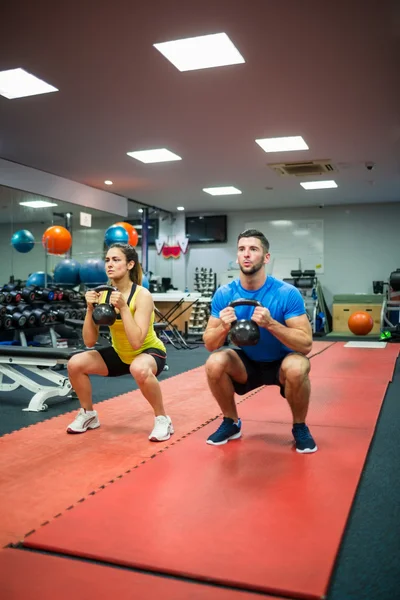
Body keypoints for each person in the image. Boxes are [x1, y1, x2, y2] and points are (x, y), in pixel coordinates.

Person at [203, 229, 317, 453]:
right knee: (215, 361)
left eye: (253, 249)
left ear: (266, 257)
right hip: (247, 363)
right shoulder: (225, 294)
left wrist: (271, 324)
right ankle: (231, 422)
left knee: (298, 366)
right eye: (242, 249)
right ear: (237, 257)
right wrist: (223, 327)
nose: (246, 254)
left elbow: (305, 344)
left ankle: (299, 426)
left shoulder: (287, 293)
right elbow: (209, 343)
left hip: (282, 362)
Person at [66, 243, 173, 441]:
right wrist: (89, 309)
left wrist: (124, 308)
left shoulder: (142, 295)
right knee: (75, 364)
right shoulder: (103, 295)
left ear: (130, 264)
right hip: (121, 354)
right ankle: (88, 415)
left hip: (148, 352)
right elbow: (89, 341)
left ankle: (162, 419)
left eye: (116, 260)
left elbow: (136, 342)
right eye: (107, 260)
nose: (110, 264)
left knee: (139, 369)